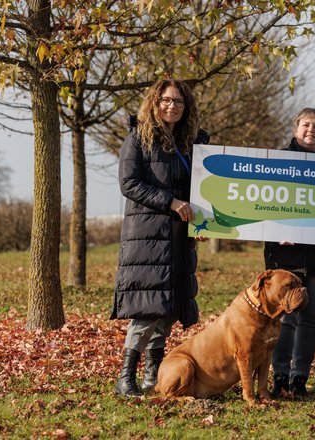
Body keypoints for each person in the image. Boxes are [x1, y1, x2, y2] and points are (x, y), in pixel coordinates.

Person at [111, 79, 208, 397]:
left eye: (179, 102)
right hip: (148, 237)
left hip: (180, 237)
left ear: (186, 106)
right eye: (167, 100)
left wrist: (204, 224)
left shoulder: (190, 143)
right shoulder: (138, 138)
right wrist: (170, 202)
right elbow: (129, 183)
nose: (172, 106)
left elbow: (203, 189)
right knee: (148, 308)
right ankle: (126, 376)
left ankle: (153, 373)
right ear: (155, 102)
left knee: (169, 308)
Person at [264, 108, 315, 398]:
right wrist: (274, 230)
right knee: (286, 316)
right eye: (306, 125)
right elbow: (262, 205)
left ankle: (300, 379)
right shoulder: (275, 163)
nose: (312, 130)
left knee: (310, 318)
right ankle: (279, 375)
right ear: (295, 128)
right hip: (284, 258)